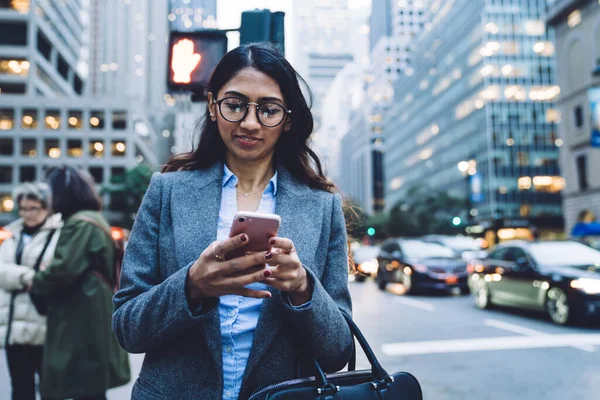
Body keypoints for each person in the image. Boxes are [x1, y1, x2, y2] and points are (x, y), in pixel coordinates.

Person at [112, 43, 353, 400]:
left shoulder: (322, 206)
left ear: (287, 119)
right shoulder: (167, 191)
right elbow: (127, 329)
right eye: (235, 105)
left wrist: (303, 288)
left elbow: (338, 353)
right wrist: (192, 285)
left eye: (268, 109)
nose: (250, 123)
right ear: (213, 107)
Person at [29, 166, 130, 400]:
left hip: (80, 315)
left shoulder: (79, 224)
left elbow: (62, 271)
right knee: (92, 387)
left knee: (81, 385)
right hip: (93, 309)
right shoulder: (94, 220)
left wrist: (35, 281)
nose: (49, 198)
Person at [0, 183, 61, 400]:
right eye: (23, 209)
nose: (27, 214)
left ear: (46, 208)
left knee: (50, 391)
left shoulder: (58, 234)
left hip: (44, 329)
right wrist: (29, 276)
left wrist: (16, 276)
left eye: (33, 208)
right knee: (20, 390)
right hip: (14, 329)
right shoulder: (12, 235)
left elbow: (54, 272)